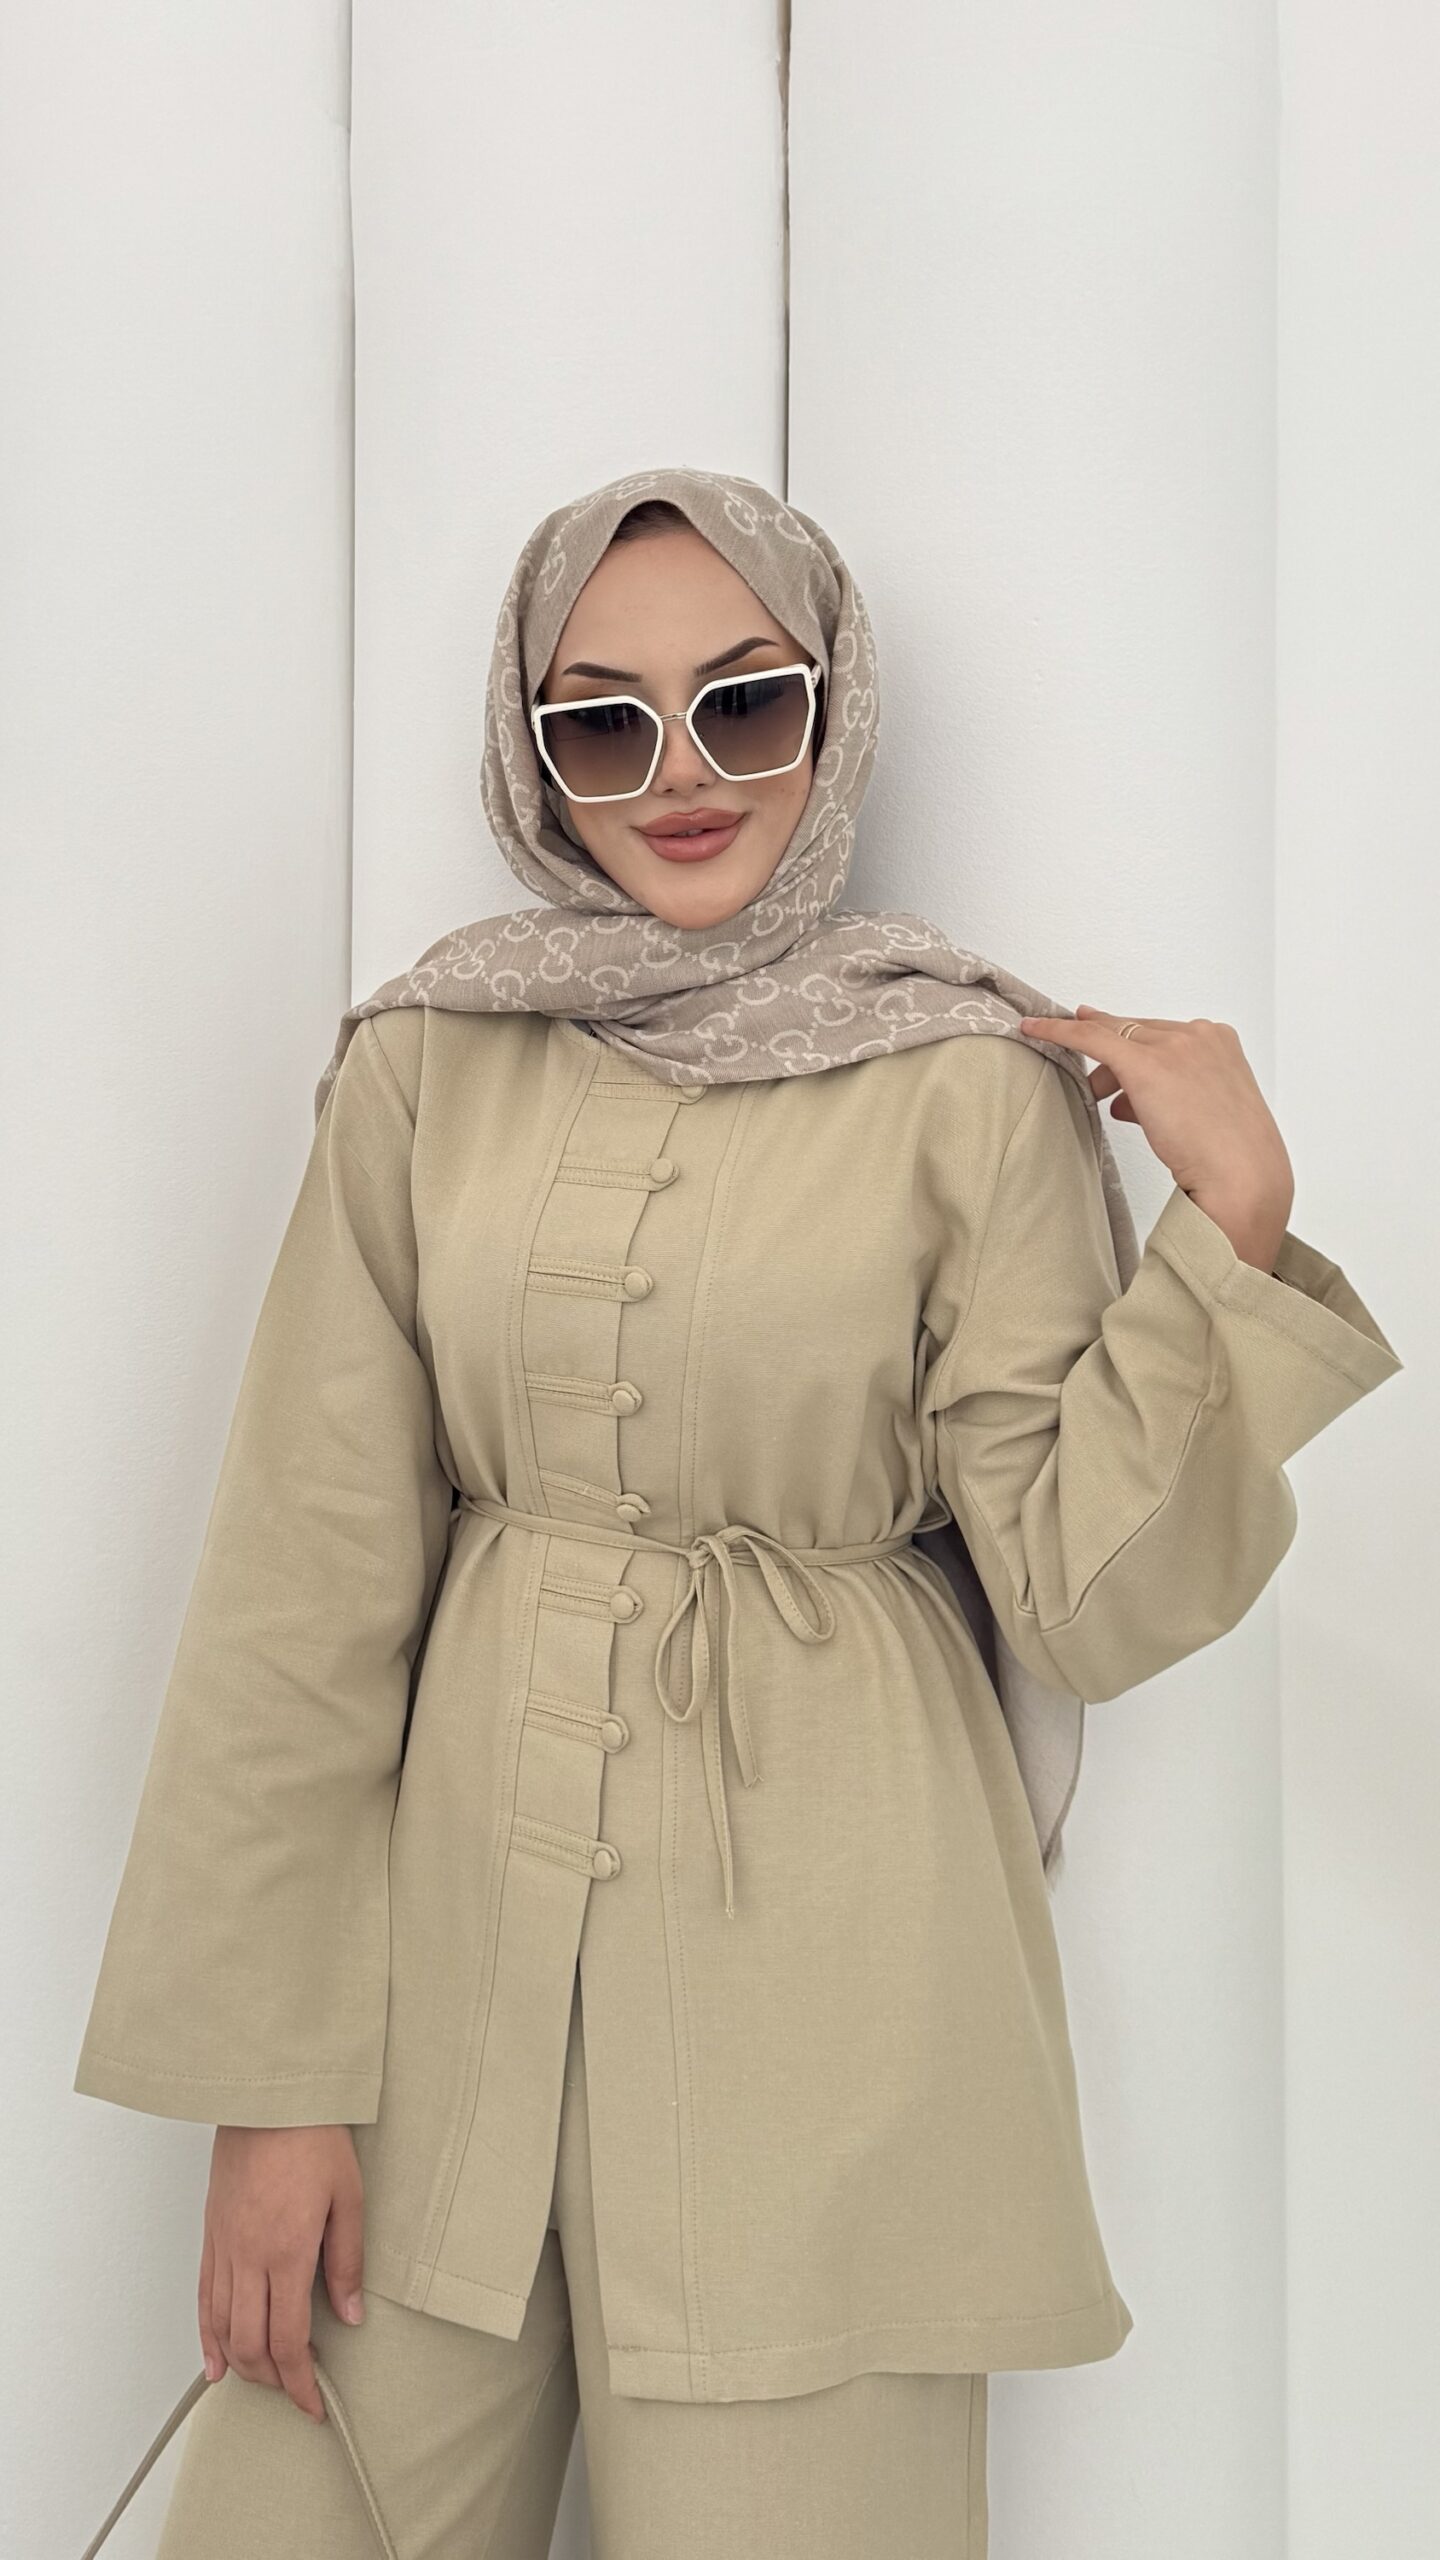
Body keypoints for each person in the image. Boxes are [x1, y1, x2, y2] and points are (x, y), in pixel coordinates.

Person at [72, 466, 1403, 2560]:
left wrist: (1231, 1228)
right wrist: (272, 2081)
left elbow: (1084, 1595)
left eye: (743, 700)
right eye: (601, 721)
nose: (679, 772)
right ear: (532, 756)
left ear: (831, 706)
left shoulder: (965, 1079)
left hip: (840, 1993)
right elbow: (298, 1588)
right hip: (434, 1998)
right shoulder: (429, 1062)